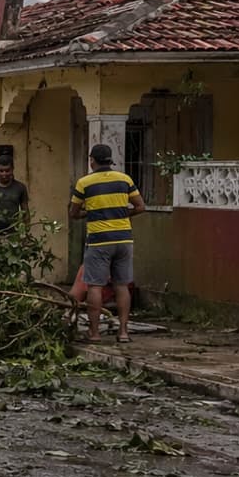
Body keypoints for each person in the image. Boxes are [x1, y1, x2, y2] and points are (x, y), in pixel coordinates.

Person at [70, 144, 146, 344]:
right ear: (110, 161)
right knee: (121, 285)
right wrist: (121, 213)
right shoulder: (125, 179)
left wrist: (90, 213)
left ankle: (94, 334)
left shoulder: (84, 183)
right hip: (123, 239)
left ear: (92, 160)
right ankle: (123, 333)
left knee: (95, 286)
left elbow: (73, 213)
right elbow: (140, 206)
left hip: (99, 240)